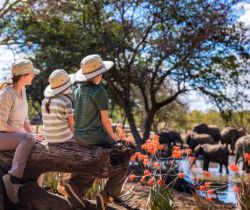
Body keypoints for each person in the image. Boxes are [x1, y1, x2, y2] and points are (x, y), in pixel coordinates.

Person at [73, 54, 128, 210]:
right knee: (123, 157)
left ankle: (76, 188)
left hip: (79, 136)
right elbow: (104, 120)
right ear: (96, 74)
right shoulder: (99, 91)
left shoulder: (77, 90)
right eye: (101, 72)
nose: (102, 75)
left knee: (95, 161)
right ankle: (106, 195)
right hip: (95, 137)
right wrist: (114, 139)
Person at [41, 69, 86, 208]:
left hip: (49, 137)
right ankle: (67, 182)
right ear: (65, 87)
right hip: (63, 137)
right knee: (82, 150)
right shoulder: (65, 101)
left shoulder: (45, 100)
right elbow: (72, 126)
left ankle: (63, 182)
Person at [0, 58, 41, 204]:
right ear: (24, 76)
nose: (34, 76)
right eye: (31, 74)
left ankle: (35, 190)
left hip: (15, 136)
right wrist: (26, 135)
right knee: (29, 139)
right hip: (2, 135)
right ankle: (12, 179)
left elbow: (25, 119)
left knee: (34, 141)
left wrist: (31, 133)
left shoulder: (23, 90)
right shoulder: (6, 94)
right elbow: (0, 125)